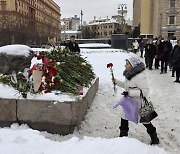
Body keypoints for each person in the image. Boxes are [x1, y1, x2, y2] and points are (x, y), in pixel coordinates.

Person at [112, 57, 159, 145]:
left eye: (127, 64)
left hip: (139, 103)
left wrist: (130, 93)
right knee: (124, 118)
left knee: (146, 121)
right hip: (129, 102)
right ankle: (122, 137)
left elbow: (145, 91)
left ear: (133, 65)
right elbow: (127, 86)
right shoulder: (129, 74)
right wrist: (116, 82)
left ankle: (154, 138)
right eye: (125, 63)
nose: (125, 65)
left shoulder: (140, 77)